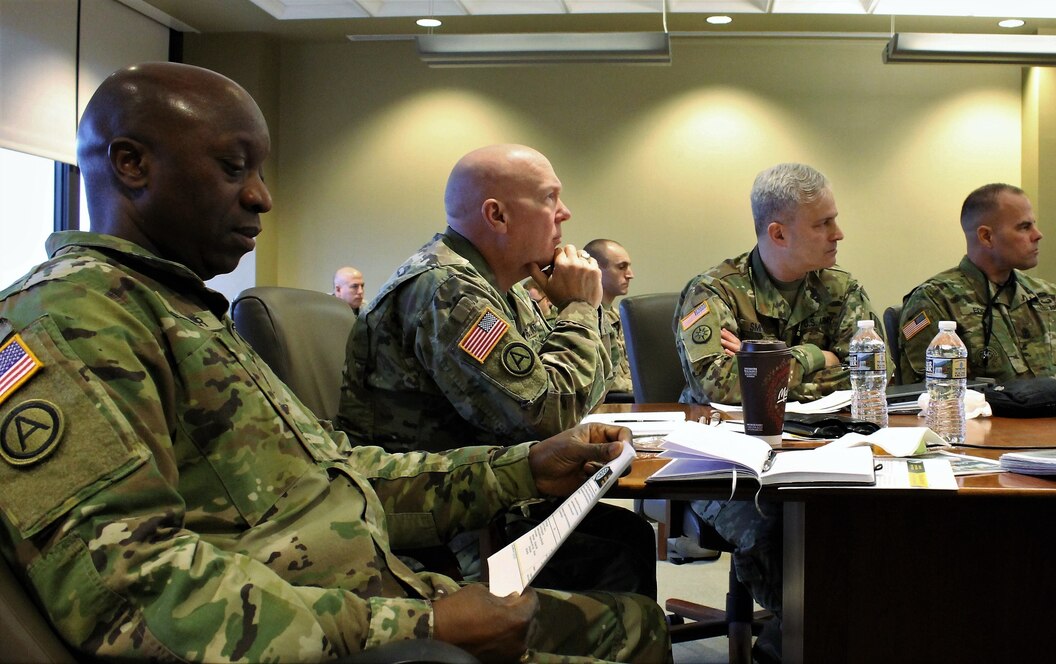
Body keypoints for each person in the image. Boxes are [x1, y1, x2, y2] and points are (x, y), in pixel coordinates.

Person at [0, 62, 669, 663]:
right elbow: (133, 597)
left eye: (260, 173)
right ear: (131, 164)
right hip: (342, 630)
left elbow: (347, 478)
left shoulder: (174, 308)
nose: (262, 196)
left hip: (374, 591)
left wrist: (525, 466)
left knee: (638, 622)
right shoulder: (68, 323)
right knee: (628, 618)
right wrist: (417, 626)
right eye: (235, 169)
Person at [337, 145, 656, 598]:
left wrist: (579, 310)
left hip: (486, 494)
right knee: (617, 553)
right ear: (497, 215)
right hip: (439, 523)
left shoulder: (502, 288)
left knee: (626, 537)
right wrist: (584, 306)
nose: (565, 212)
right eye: (550, 199)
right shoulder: (448, 291)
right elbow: (548, 414)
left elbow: (582, 388)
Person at [674, 162, 882, 663]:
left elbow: (874, 369)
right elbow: (721, 385)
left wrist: (773, 361)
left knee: (868, 525)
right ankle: (787, 644)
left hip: (824, 447)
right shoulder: (713, 292)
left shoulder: (840, 288)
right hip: (731, 462)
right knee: (782, 532)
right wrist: (825, 357)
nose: (839, 233)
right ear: (778, 232)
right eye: (823, 223)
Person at [898, 183, 1056, 395]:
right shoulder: (936, 300)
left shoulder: (1049, 297)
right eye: (1024, 227)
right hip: (991, 426)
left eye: (1034, 225)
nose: (1038, 235)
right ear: (986, 237)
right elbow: (932, 398)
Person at [584, 239, 634, 395]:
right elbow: (601, 380)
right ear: (596, 270)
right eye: (621, 267)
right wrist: (643, 387)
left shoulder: (619, 317)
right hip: (606, 409)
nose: (630, 275)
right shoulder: (583, 319)